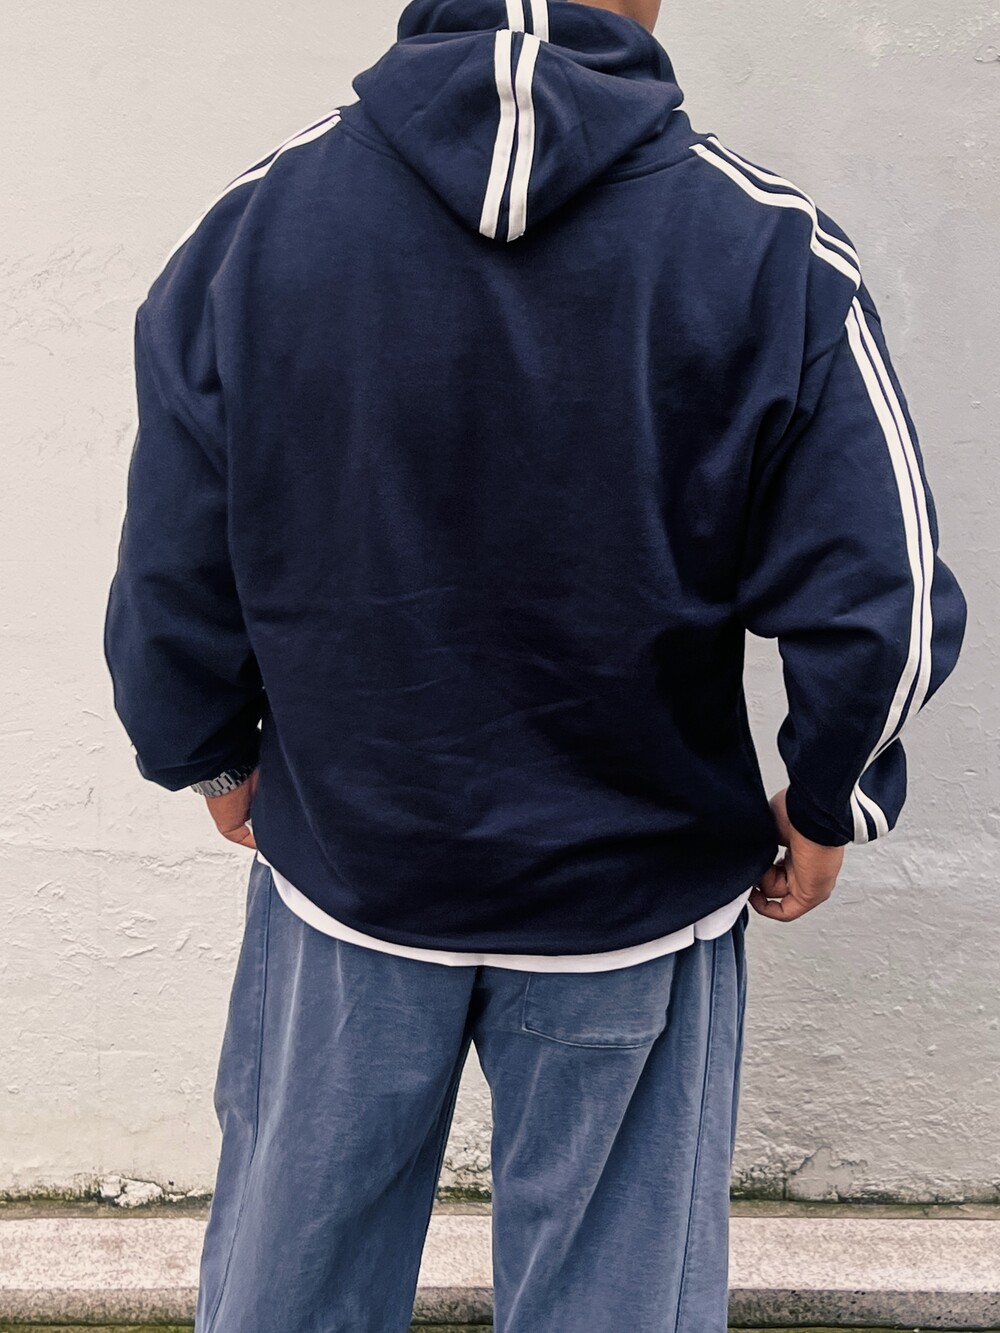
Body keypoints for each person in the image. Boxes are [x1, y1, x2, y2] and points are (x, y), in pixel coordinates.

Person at [103, 0, 967, 1327]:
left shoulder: (260, 226)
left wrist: (207, 751)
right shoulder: (768, 248)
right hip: (633, 894)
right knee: (615, 1298)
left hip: (353, 872)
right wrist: (829, 793)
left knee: (293, 1284)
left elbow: (171, 562)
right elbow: (879, 596)